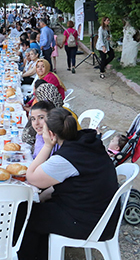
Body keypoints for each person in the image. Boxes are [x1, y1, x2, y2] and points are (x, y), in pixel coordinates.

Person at [16, 108, 120, 259]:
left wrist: (47, 146)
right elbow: (78, 181)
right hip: (99, 212)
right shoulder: (85, 141)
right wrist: (47, 193)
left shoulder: (67, 158)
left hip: (89, 222)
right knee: (36, 207)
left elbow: (31, 178)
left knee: (22, 214)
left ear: (51, 134)